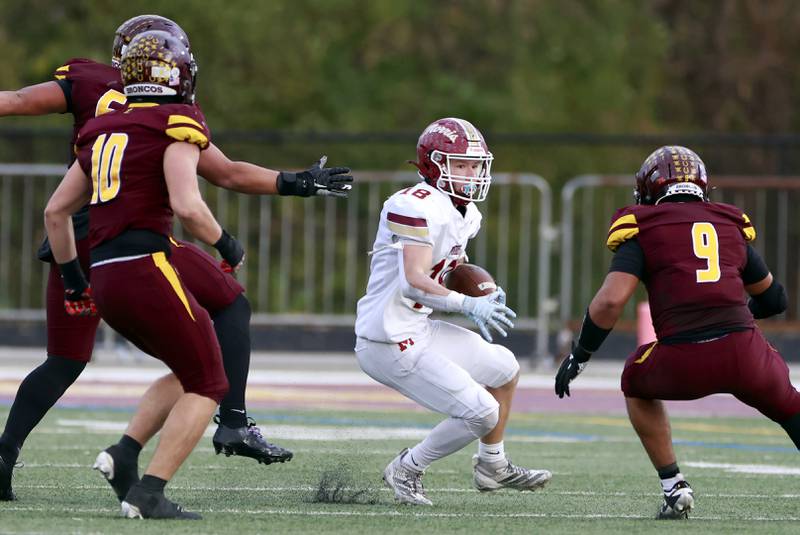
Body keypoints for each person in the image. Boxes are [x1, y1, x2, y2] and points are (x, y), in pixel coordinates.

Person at [0, 14, 352, 502]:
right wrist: (235, 237)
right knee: (219, 328)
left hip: (84, 251)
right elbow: (214, 182)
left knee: (66, 360)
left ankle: (17, 455)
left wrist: (74, 279)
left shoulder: (101, 114)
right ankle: (225, 423)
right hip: (141, 246)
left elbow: (47, 186)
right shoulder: (175, 116)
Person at [42, 29, 248, 519]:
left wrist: (74, 280)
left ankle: (123, 455)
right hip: (147, 267)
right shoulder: (175, 121)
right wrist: (226, 244)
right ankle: (150, 492)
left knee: (189, 368)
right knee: (210, 383)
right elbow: (188, 206)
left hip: (106, 274)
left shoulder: (102, 126)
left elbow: (55, 213)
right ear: (177, 75)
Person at [554, 145, 800, 519]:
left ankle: (674, 487)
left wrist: (580, 355)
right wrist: (738, 318)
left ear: (649, 188)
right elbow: (775, 299)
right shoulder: (728, 222)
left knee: (635, 379)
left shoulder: (642, 225)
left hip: (683, 358)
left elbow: (609, 302)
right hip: (745, 353)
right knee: (791, 408)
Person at [354, 118, 552, 506]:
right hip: (388, 339)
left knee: (505, 368)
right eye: (460, 164)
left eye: (475, 165)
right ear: (433, 165)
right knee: (482, 412)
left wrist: (484, 290)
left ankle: (491, 466)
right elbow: (413, 280)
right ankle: (407, 468)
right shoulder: (411, 204)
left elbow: (450, 267)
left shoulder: (467, 213)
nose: (471, 173)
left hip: (418, 328)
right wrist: (467, 303)